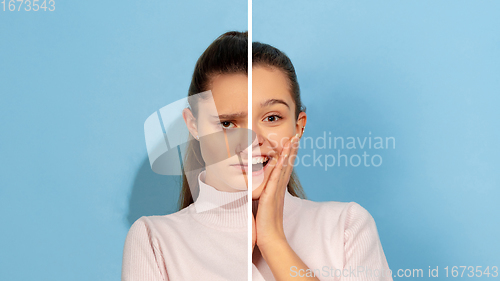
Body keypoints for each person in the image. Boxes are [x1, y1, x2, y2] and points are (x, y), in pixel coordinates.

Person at [121, 31, 392, 281]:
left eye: (272, 117)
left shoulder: (347, 227)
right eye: (227, 123)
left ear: (298, 127)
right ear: (194, 126)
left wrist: (274, 241)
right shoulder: (153, 241)